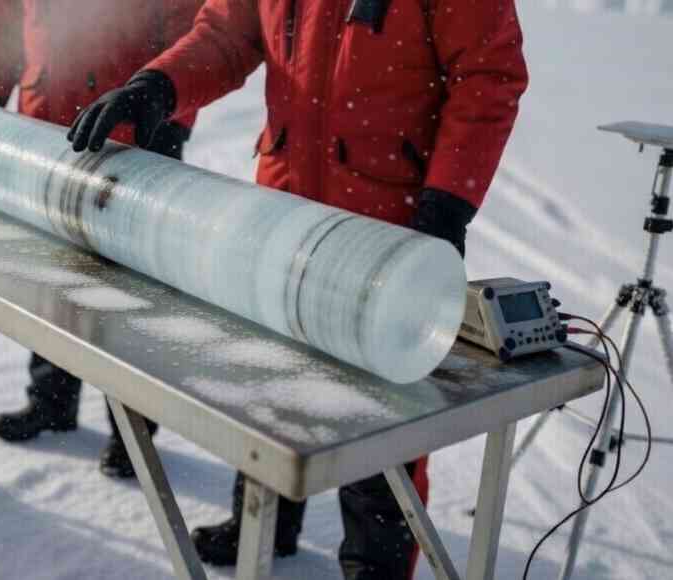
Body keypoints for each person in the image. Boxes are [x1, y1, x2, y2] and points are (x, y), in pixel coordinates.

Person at [67, 0, 528, 577]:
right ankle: (261, 525)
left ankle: (376, 568)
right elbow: (227, 36)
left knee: (380, 416)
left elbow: (489, 75)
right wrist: (157, 85)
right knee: (272, 381)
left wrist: (447, 204)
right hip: (284, 214)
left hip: (389, 228)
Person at [0, 0, 203, 479]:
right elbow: (7, 22)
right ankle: (51, 400)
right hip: (42, 128)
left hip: (129, 137)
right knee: (54, 275)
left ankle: (132, 434)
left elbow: (192, 27)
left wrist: (170, 122)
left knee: (126, 300)